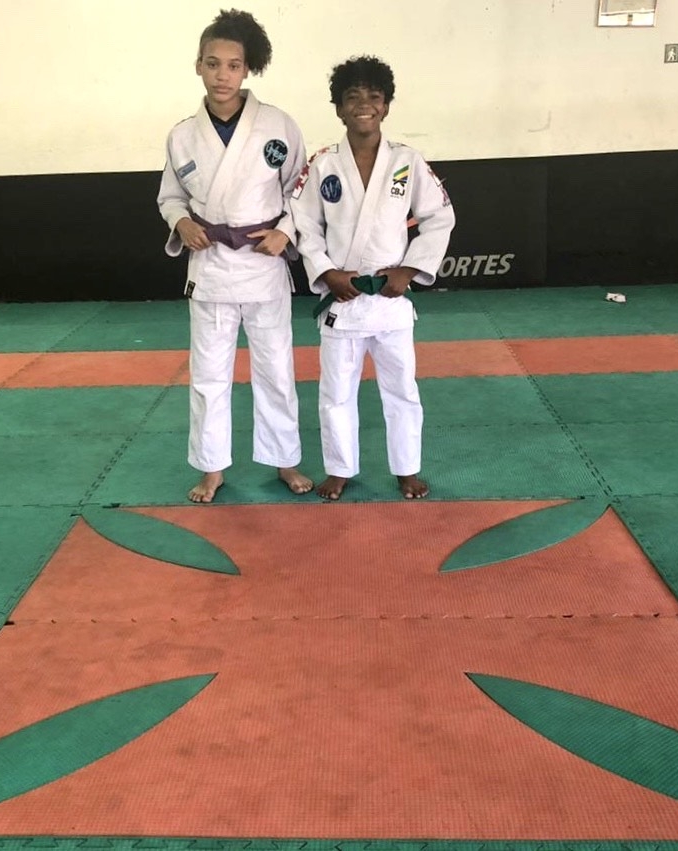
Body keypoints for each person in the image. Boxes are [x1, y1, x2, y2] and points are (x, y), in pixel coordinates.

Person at [157, 9, 313, 503]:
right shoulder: (182, 134)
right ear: (198, 66)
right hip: (210, 267)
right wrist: (181, 222)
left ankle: (285, 460)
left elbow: (302, 192)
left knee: (275, 370)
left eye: (233, 65)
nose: (222, 75)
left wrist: (285, 232)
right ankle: (212, 468)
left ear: (248, 69)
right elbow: (170, 197)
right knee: (208, 376)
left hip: (263, 265)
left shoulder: (278, 125)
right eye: (212, 64)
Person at [291, 55, 456, 501]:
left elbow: (439, 217)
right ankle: (340, 468)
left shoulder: (407, 161)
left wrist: (409, 269)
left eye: (374, 96)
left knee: (402, 390)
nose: (364, 105)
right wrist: (326, 271)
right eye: (353, 97)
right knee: (336, 393)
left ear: (386, 106)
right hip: (343, 300)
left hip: (389, 299)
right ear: (338, 108)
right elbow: (305, 225)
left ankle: (406, 469)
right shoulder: (323, 164)